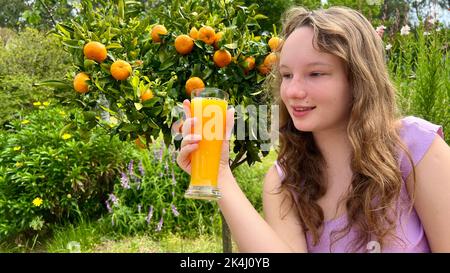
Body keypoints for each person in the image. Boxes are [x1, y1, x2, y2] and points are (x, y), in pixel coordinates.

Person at [176, 6, 450, 252]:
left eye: (315, 73)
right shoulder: (285, 183)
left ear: (358, 80)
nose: (293, 91)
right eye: (286, 75)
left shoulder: (416, 149)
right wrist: (220, 175)